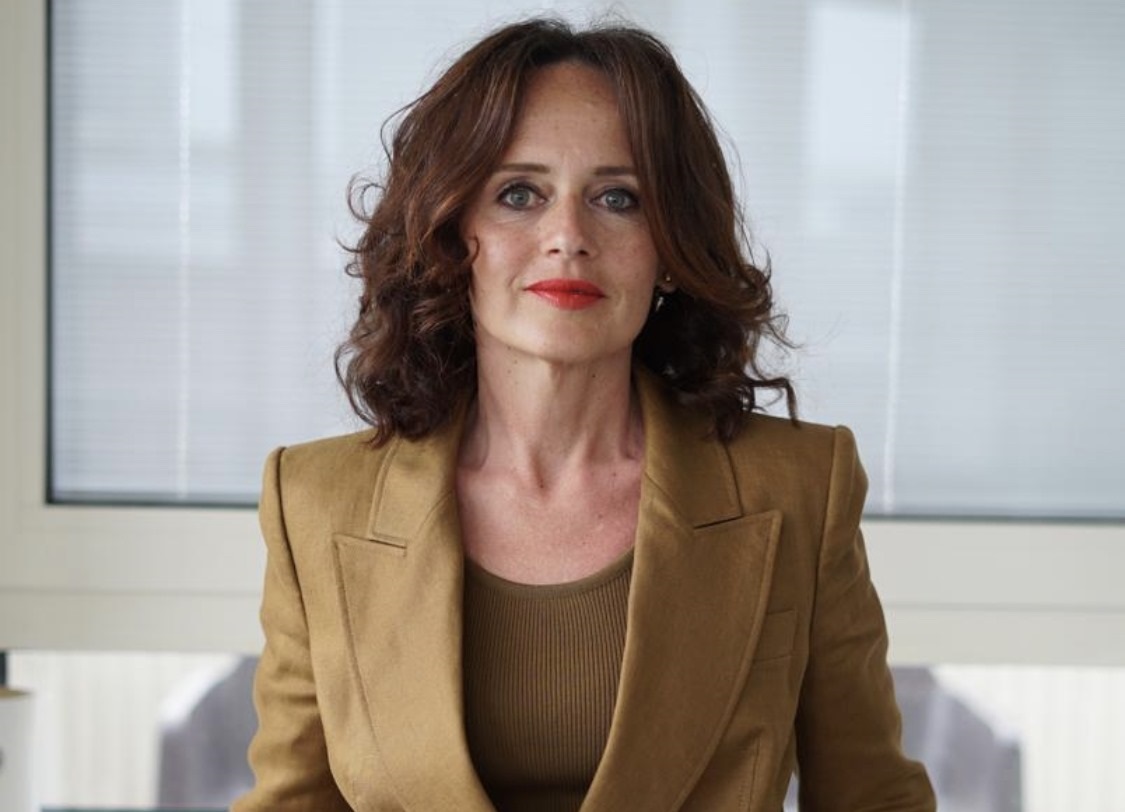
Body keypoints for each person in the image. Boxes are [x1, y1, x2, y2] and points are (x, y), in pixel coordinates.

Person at [232, 17, 936, 812]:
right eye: (518, 194)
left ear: (668, 248)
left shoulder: (799, 486)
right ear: (453, 234)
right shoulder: (315, 501)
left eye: (616, 198)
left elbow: (872, 798)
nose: (567, 236)